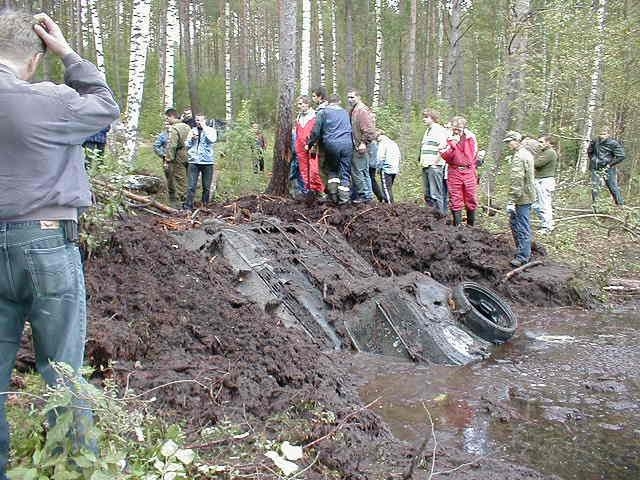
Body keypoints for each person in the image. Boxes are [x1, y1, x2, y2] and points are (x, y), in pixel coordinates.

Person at [0, 11, 120, 478]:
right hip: (45, 243)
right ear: (34, 59)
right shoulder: (49, 101)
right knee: (62, 366)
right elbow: (104, 104)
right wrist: (68, 53)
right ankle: (71, 464)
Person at [307, 88, 353, 205]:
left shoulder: (323, 112)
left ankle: (332, 196)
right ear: (339, 102)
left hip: (332, 144)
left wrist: (310, 144)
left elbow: (316, 131)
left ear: (329, 102)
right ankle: (344, 200)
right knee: (345, 172)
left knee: (332, 170)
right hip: (348, 144)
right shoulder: (345, 112)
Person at [503, 131, 536, 267]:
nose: (508, 144)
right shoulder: (526, 154)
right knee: (517, 223)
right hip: (526, 195)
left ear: (516, 141)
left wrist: (511, 201)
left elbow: (517, 180)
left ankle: (523, 256)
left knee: (522, 226)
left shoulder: (520, 156)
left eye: (509, 142)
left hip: (522, 197)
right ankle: (522, 251)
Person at [440, 116, 478, 226]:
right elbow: (445, 155)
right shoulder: (447, 138)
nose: (456, 130)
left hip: (469, 170)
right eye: (454, 127)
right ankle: (457, 227)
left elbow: (472, 155)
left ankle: (471, 226)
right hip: (454, 170)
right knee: (455, 198)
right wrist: (453, 145)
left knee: (471, 197)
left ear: (464, 127)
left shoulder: (470, 137)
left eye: (459, 127)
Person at [347, 89, 376, 203]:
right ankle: (365, 194)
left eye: (352, 97)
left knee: (359, 170)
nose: (350, 100)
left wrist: (364, 143)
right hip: (356, 144)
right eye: (348, 97)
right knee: (361, 170)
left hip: (361, 145)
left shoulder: (361, 110)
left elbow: (369, 130)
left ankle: (365, 195)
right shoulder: (354, 110)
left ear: (358, 97)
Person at [184, 114, 218, 210]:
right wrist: (191, 139)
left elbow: (212, 140)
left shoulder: (211, 131)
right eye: (197, 120)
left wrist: (204, 128)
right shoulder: (192, 131)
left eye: (200, 120)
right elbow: (186, 145)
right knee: (191, 186)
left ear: (205, 121)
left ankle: (204, 205)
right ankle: (188, 206)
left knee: (206, 186)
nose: (198, 122)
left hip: (207, 162)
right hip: (194, 161)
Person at [587, 127, 625, 210]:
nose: (602, 136)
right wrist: (593, 160)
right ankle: (596, 208)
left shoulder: (613, 143)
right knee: (595, 187)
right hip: (595, 167)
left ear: (608, 134)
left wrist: (609, 164)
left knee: (612, 187)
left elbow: (621, 156)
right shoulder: (595, 141)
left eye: (604, 134)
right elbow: (589, 151)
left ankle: (620, 205)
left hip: (608, 169)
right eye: (600, 134)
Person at [419, 110, 449, 214]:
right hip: (426, 165)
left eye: (427, 117)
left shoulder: (439, 130)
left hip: (434, 166)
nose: (424, 119)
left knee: (435, 193)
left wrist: (436, 163)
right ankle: (430, 216)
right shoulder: (428, 131)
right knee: (427, 194)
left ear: (433, 118)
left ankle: (440, 216)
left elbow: (444, 147)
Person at [295, 96, 325, 197]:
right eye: (298, 104)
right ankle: (308, 190)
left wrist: (313, 144)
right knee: (303, 169)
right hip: (300, 146)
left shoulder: (314, 115)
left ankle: (319, 191)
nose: (299, 106)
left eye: (301, 104)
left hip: (312, 146)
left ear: (307, 104)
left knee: (314, 169)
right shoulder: (298, 117)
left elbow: (317, 132)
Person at [165, 108, 191, 207]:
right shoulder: (187, 126)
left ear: (172, 116)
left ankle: (185, 202)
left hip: (179, 155)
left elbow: (172, 145)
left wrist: (168, 159)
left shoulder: (174, 128)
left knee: (180, 179)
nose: (167, 120)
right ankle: (192, 198)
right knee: (190, 177)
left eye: (167, 118)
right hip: (190, 154)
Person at [532, 134, 558, 233]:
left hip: (545, 181)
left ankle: (548, 227)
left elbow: (537, 164)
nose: (539, 144)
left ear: (548, 143)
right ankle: (545, 223)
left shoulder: (550, 153)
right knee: (537, 204)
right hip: (540, 180)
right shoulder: (543, 152)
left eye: (541, 142)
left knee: (544, 204)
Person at [375, 130, 401, 203]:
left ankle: (390, 206)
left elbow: (380, 157)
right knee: (389, 188)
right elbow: (399, 156)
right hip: (394, 168)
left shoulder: (382, 143)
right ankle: (388, 204)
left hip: (386, 169)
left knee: (386, 189)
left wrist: (378, 168)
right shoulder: (393, 143)